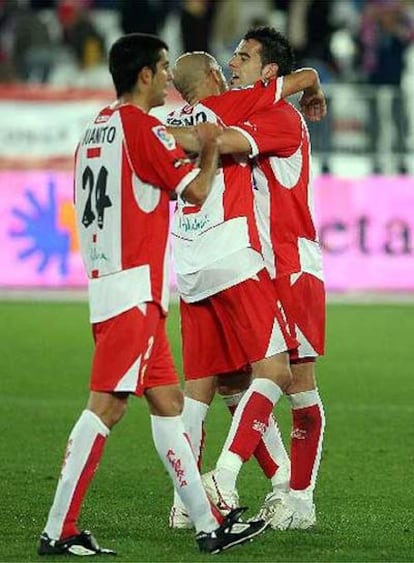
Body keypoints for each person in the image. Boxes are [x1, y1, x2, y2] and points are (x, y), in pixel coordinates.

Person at [37, 33, 267, 557]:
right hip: (134, 292)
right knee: (106, 408)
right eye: (163, 68)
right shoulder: (143, 129)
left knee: (168, 405)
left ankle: (209, 525)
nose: (169, 79)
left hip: (110, 284)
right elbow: (198, 192)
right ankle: (58, 529)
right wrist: (210, 145)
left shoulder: (96, 126)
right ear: (144, 75)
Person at [165, 51, 326, 528]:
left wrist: (157, 136)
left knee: (242, 384)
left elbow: (200, 140)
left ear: (268, 70)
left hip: (236, 264)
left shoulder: (267, 112)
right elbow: (303, 78)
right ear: (213, 76)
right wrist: (313, 82)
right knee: (259, 376)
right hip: (240, 256)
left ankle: (287, 496)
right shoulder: (235, 104)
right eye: (229, 59)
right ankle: (252, 484)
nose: (235, 63)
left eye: (245, 55)